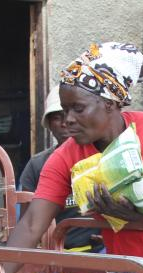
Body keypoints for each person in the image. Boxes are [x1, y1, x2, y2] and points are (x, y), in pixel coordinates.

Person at [5, 42, 143, 268]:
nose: (67, 120)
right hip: (127, 272)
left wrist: (135, 214)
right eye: (65, 110)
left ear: (109, 103)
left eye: (78, 109)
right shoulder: (66, 156)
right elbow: (31, 224)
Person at [19, 86, 102, 252]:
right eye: (57, 118)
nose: (66, 123)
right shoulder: (37, 165)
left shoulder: (102, 157)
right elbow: (28, 224)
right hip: (57, 254)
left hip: (102, 251)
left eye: (73, 114)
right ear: (49, 124)